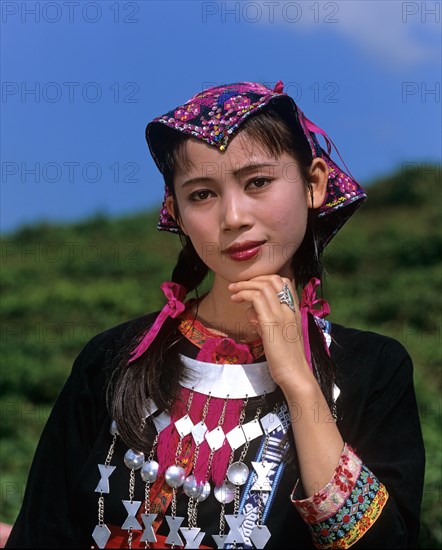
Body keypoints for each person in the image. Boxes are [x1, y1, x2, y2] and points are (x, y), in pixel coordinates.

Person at [6, 81, 425, 549]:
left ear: (314, 184)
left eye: (258, 183)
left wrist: (299, 380)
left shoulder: (375, 368)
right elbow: (42, 532)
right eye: (202, 194)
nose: (233, 216)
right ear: (176, 213)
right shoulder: (109, 359)